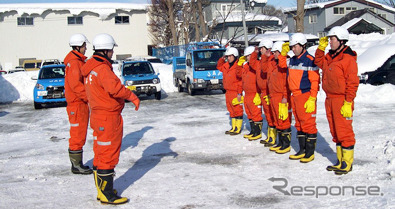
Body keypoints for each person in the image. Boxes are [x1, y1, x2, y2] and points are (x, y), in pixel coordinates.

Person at [81, 33, 140, 204]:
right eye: (112, 50)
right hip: (108, 118)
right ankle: (107, 194)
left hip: (98, 116)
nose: (113, 53)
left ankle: (102, 190)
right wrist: (132, 96)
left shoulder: (91, 67)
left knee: (100, 153)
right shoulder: (102, 69)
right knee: (108, 155)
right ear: (106, 50)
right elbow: (115, 89)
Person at [314, 26, 359, 175]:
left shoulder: (347, 59)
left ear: (341, 40)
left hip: (342, 100)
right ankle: (340, 160)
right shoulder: (329, 57)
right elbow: (318, 61)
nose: (330, 42)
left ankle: (347, 162)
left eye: (332, 39)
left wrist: (348, 101)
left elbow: (352, 82)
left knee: (344, 131)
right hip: (330, 99)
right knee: (335, 131)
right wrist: (321, 48)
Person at [282, 33, 320, 162]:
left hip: (306, 95)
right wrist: (283, 53)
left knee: (308, 124)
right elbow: (282, 66)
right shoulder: (292, 59)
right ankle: (302, 150)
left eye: (295, 46)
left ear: (303, 45)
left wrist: (312, 98)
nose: (293, 49)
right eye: (292, 47)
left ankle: (309, 153)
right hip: (295, 95)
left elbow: (315, 80)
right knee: (299, 124)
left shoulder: (310, 59)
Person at [64, 33, 92, 175]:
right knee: (78, 133)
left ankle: (77, 163)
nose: (86, 48)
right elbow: (76, 86)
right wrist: (90, 98)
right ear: (78, 46)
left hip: (78, 104)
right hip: (77, 104)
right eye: (84, 46)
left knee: (79, 132)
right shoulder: (75, 63)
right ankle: (76, 165)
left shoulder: (76, 61)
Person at [265, 41, 293, 154]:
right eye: (274, 52)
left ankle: (286, 144)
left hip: (282, 96)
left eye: (276, 52)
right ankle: (280, 142)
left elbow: (284, 67)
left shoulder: (285, 63)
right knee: (277, 120)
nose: (274, 54)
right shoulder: (274, 63)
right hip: (273, 95)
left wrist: (285, 97)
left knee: (283, 120)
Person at [250, 40, 276, 145]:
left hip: (269, 92)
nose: (261, 51)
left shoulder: (271, 61)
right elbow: (252, 63)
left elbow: (265, 71)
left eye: (262, 49)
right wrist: (254, 53)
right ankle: (270, 136)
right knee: (268, 115)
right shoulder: (260, 62)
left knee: (271, 115)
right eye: (260, 49)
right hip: (262, 92)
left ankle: (273, 137)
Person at [217, 47, 243, 135]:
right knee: (231, 109)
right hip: (228, 91)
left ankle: (238, 128)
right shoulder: (225, 66)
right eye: (227, 56)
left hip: (235, 92)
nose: (229, 58)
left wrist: (239, 93)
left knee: (237, 109)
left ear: (235, 56)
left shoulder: (238, 66)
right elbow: (219, 66)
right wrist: (222, 58)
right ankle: (234, 127)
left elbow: (240, 81)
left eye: (230, 56)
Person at [239, 46, 263, 140]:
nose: (247, 58)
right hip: (247, 94)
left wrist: (259, 93)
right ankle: (253, 131)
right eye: (246, 56)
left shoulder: (257, 64)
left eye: (249, 56)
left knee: (256, 113)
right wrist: (238, 65)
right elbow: (239, 75)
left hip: (254, 93)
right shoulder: (245, 66)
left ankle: (257, 132)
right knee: (249, 113)